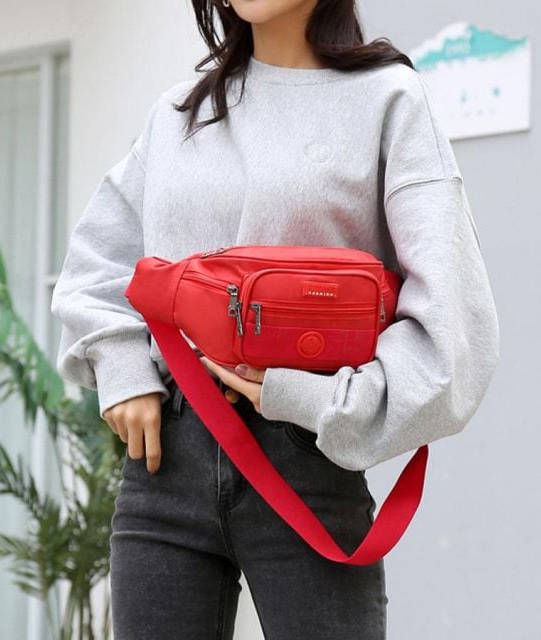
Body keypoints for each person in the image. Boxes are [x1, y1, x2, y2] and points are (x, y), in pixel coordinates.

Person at [50, 0, 500, 638]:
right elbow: (97, 263)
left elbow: (452, 329)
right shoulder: (178, 114)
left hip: (307, 454)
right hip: (166, 458)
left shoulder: (389, 100)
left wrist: (317, 401)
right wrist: (122, 369)